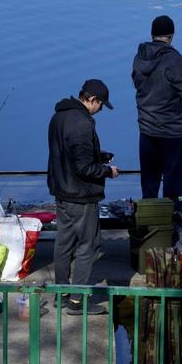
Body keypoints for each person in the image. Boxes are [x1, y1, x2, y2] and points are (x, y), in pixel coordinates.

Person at [47, 79, 119, 315]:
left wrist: (99, 155)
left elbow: (71, 153)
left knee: (64, 242)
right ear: (91, 99)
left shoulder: (59, 117)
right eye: (100, 104)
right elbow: (84, 168)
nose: (100, 110)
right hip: (81, 195)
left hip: (61, 190)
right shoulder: (82, 124)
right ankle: (78, 302)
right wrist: (108, 171)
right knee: (89, 244)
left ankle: (62, 294)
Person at [131, 15, 182, 209]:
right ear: (170, 36)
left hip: (147, 129)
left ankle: (150, 222)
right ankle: (173, 225)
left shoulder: (140, 57)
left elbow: (142, 84)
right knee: (173, 181)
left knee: (150, 181)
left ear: (153, 35)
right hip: (173, 132)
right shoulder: (174, 59)